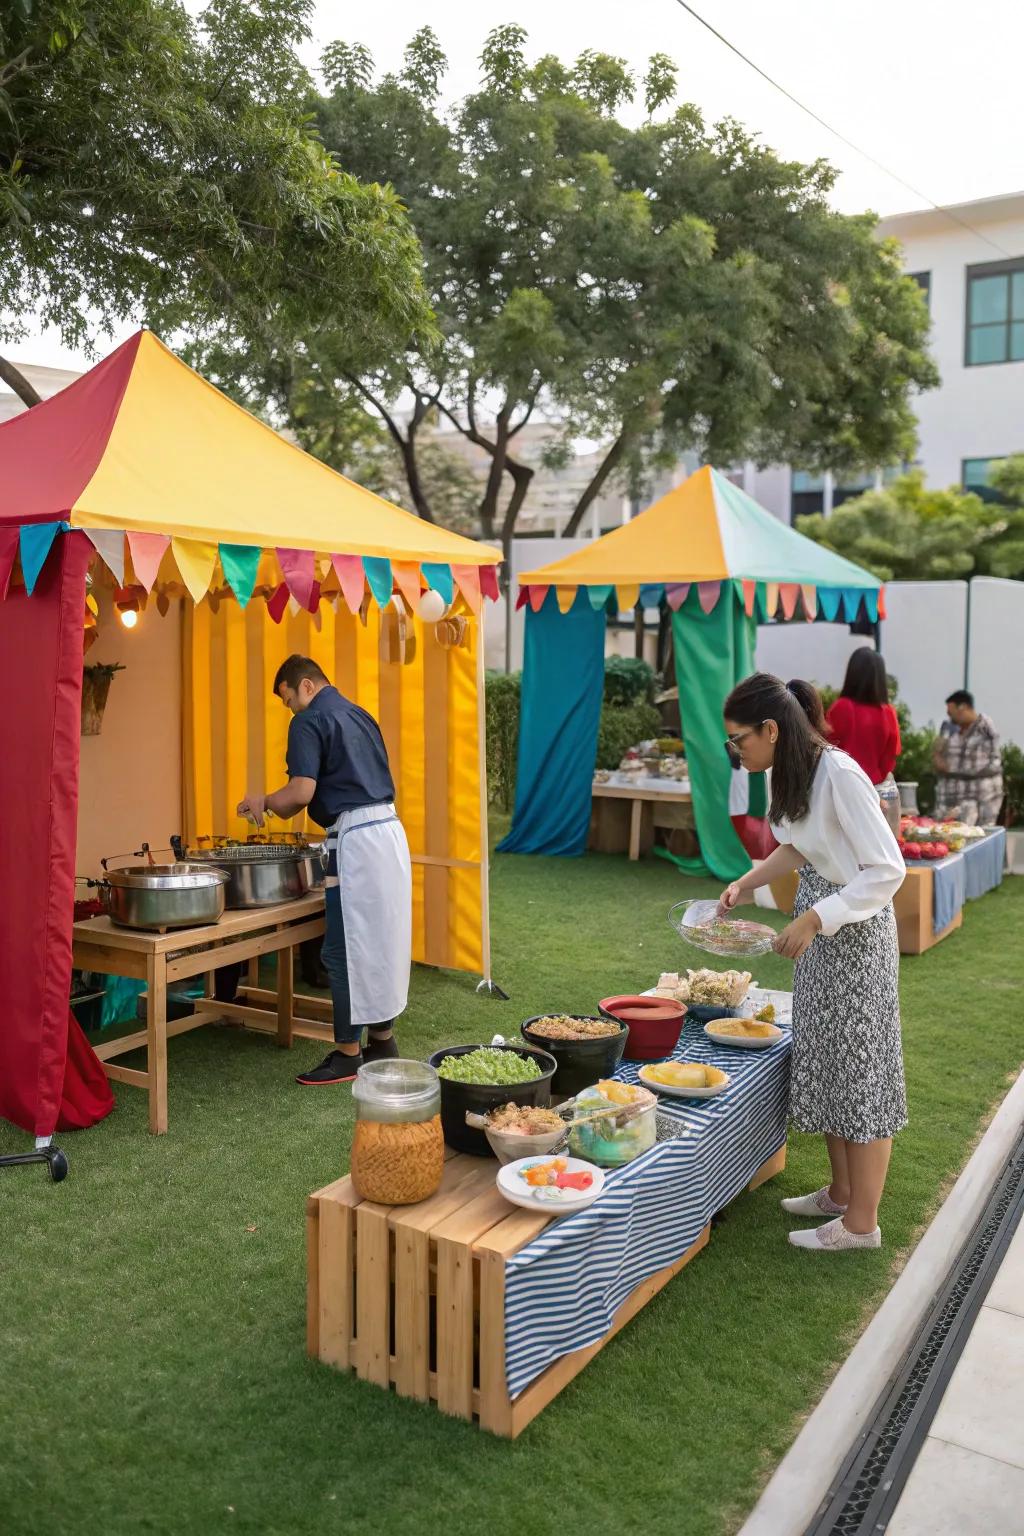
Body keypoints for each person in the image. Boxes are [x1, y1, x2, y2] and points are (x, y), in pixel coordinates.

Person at [718, 672, 907, 1253]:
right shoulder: (790, 768)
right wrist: (748, 881)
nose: (735, 750)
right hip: (822, 929)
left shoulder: (842, 774)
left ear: (771, 730)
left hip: (855, 937)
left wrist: (817, 917)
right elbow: (802, 844)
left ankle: (861, 1226)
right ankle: (841, 1194)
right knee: (828, 1062)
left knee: (861, 1078)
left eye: (739, 739)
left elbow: (887, 869)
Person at [237, 656, 412, 1086]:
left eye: (288, 697)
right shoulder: (360, 714)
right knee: (381, 943)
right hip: (389, 832)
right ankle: (383, 1041)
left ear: (308, 686)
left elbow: (301, 792)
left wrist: (263, 802)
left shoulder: (309, 720)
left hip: (356, 841)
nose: (289, 708)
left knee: (342, 950)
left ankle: (348, 1055)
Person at [825, 648, 902, 833]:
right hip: (878, 793)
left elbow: (827, 751)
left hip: (844, 794)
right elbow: (890, 757)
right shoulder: (888, 712)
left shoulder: (842, 708)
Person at [933, 690, 1004, 826]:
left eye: (951, 712)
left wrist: (954, 770)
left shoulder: (985, 727)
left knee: (980, 838)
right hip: (953, 802)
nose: (949, 717)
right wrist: (938, 752)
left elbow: (993, 764)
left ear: (963, 707)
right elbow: (939, 761)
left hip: (982, 801)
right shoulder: (950, 731)